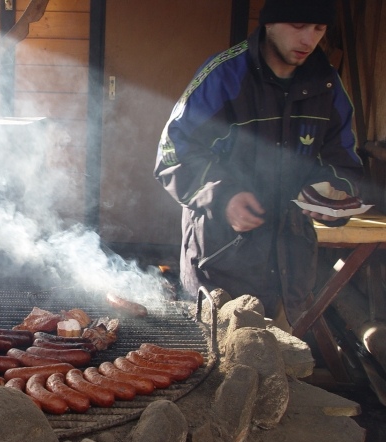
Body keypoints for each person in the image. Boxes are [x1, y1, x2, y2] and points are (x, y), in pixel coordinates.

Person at [154, 0, 364, 331]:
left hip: (288, 268)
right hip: (220, 265)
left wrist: (334, 195)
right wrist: (224, 198)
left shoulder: (328, 86)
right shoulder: (224, 76)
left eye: (319, 29)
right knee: (217, 372)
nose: (308, 40)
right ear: (269, 23)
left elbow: (344, 162)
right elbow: (173, 154)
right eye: (298, 27)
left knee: (278, 371)